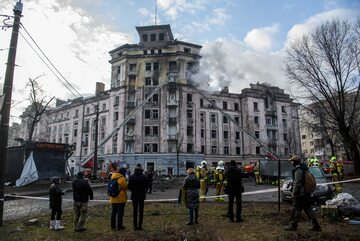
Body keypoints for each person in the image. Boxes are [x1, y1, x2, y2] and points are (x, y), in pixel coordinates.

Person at [285, 156, 321, 232]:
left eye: (292, 161)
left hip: (300, 194)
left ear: (295, 162)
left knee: (296, 209)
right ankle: (316, 225)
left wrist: (294, 193)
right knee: (308, 209)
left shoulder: (298, 169)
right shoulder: (305, 168)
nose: (292, 163)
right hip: (306, 193)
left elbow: (297, 183)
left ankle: (293, 225)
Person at [128, 164, 148, 231]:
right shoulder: (144, 177)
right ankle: (140, 226)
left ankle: (135, 226)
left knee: (135, 211)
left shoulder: (131, 177)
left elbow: (129, 187)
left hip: (134, 196)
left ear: (135, 170)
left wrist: (133, 190)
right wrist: (144, 191)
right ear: (141, 170)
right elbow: (147, 186)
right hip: (142, 196)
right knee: (141, 211)